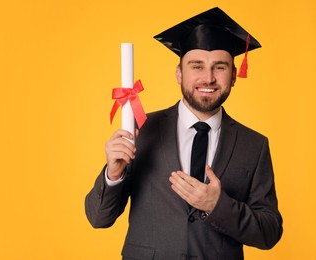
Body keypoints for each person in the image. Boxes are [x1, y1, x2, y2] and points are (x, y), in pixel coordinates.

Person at [85, 7, 283, 260]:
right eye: (197, 66)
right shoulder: (140, 129)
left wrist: (218, 206)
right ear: (179, 73)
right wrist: (114, 174)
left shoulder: (253, 145)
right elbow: (98, 218)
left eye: (219, 67)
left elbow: (269, 232)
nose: (208, 78)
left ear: (233, 75)